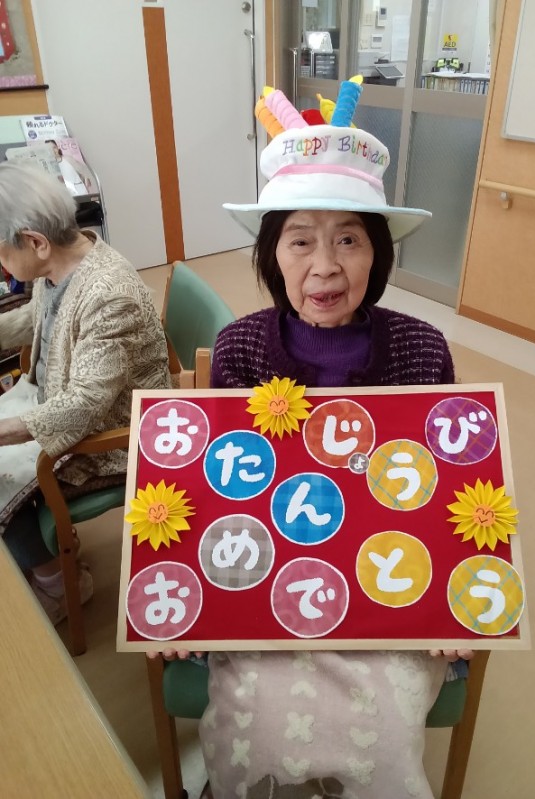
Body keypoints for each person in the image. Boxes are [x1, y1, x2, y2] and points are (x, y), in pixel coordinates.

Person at [156, 91, 473, 799]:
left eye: (349, 239)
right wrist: (180, 597)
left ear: (377, 252)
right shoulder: (240, 348)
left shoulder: (423, 349)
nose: (325, 266)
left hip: (389, 589)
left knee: (384, 734)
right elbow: (215, 489)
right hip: (265, 581)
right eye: (300, 239)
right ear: (272, 253)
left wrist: (457, 604)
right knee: (252, 726)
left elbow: (447, 488)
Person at [0, 162, 170, 624]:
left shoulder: (109, 293)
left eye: (2, 253)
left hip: (114, 437)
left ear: (35, 242)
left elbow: (84, 406)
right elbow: (38, 318)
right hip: (57, 396)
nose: (3, 265)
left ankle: (60, 582)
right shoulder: (61, 263)